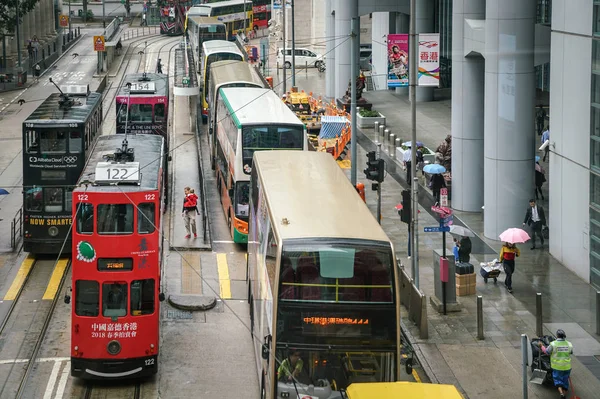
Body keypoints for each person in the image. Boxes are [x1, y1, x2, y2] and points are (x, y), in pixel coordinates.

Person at [538, 329, 573, 399]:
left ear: (557, 335)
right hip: (567, 366)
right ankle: (565, 394)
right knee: (565, 380)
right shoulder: (569, 344)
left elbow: (547, 352)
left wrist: (541, 346)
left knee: (558, 380)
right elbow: (571, 352)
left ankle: (561, 393)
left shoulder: (553, 344)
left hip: (557, 367)